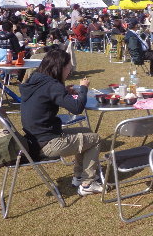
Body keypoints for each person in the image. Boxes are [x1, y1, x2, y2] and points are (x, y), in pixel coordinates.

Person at [20, 49, 104, 196]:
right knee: (95, 139)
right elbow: (77, 108)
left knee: (86, 132)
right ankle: (88, 183)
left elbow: (45, 96)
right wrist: (83, 88)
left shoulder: (35, 79)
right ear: (60, 68)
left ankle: (79, 176)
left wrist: (63, 91)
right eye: (68, 68)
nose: (69, 72)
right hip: (48, 143)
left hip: (34, 139)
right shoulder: (53, 86)